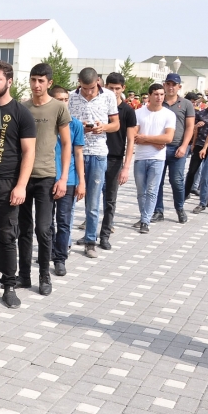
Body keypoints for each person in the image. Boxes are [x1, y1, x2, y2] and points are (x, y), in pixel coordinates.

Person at [0, 61, 35, 309]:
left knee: (6, 235)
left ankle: (9, 285)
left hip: (8, 182)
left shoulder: (21, 113)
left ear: (9, 82)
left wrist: (21, 185)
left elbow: (29, 152)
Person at [19, 63, 70, 294]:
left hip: (47, 176)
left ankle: (44, 276)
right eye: (33, 80)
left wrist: (63, 177)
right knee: (23, 229)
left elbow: (67, 144)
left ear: (49, 83)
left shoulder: (59, 108)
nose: (36, 85)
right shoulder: (22, 107)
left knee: (43, 228)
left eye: (41, 81)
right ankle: (24, 275)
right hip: (22, 178)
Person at [67, 67, 119, 258]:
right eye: (85, 88)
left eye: (92, 88)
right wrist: (80, 128)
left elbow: (116, 124)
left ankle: (90, 241)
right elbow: (63, 124)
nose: (89, 92)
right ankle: (66, 241)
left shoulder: (109, 97)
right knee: (70, 200)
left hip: (97, 153)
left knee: (93, 202)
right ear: (78, 82)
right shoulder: (71, 97)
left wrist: (102, 127)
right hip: (74, 154)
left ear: (98, 81)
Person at [49, 86, 84, 276]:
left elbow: (78, 154)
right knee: (46, 222)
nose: (63, 103)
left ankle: (60, 258)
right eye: (59, 100)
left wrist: (81, 181)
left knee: (63, 220)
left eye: (65, 99)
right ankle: (49, 251)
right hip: (46, 177)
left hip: (68, 180)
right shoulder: (45, 123)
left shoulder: (75, 125)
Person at [132, 84, 176, 234]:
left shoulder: (168, 115)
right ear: (149, 95)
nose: (159, 97)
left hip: (157, 158)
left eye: (162, 94)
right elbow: (134, 137)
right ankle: (144, 215)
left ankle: (145, 220)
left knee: (152, 191)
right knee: (140, 191)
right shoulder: (139, 113)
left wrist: (145, 138)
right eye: (156, 94)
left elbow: (168, 138)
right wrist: (153, 141)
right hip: (140, 157)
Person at [100, 73, 136, 250]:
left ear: (123, 88)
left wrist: (126, 167)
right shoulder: (99, 106)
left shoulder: (128, 111)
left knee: (110, 199)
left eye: (117, 88)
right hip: (96, 156)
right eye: (110, 88)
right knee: (91, 198)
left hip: (115, 159)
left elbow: (131, 141)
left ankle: (105, 234)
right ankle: (89, 234)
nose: (113, 91)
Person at [153, 73, 195, 224]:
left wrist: (184, 146)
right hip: (159, 148)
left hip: (177, 148)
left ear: (179, 87)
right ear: (164, 84)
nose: (171, 87)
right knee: (157, 181)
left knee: (176, 180)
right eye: (168, 84)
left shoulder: (186, 104)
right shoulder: (158, 102)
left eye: (174, 85)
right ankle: (158, 210)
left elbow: (190, 128)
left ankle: (180, 208)